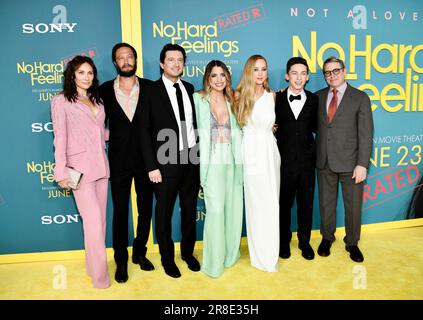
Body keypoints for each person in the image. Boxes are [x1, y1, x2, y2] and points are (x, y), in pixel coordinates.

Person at [140, 43, 200, 278]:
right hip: (164, 163)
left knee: (189, 211)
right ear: (162, 64)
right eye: (171, 59)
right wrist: (151, 166)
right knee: (163, 214)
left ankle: (187, 253)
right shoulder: (150, 91)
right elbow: (143, 131)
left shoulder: (189, 87)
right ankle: (167, 259)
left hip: (190, 159)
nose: (176, 63)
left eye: (180, 59)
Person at [51, 55, 110, 288]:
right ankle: (100, 279)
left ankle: (92, 266)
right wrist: (61, 171)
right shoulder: (61, 101)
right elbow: (60, 136)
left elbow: (99, 134)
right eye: (81, 72)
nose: (86, 77)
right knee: (93, 222)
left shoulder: (98, 101)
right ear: (72, 75)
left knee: (100, 222)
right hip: (79, 169)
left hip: (101, 167)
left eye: (90, 73)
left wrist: (127, 134)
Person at [99, 43, 154, 283]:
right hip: (118, 161)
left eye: (129, 56)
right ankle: (120, 260)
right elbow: (93, 124)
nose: (126, 61)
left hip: (147, 160)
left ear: (136, 59)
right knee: (120, 211)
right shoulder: (103, 91)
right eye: (121, 58)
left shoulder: (152, 88)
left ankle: (139, 254)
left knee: (145, 210)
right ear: (115, 62)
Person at [315, 56, 374, 263]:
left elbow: (366, 134)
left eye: (336, 71)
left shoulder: (360, 97)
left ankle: (352, 243)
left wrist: (362, 164)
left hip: (351, 163)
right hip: (324, 161)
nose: (332, 75)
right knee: (326, 204)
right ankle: (327, 238)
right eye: (328, 72)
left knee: (353, 205)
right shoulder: (318, 97)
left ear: (344, 71)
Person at [193, 60, 244, 278]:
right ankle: (213, 262)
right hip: (211, 159)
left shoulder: (233, 98)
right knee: (215, 211)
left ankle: (230, 255)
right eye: (214, 75)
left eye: (222, 75)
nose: (219, 79)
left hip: (233, 159)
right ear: (207, 78)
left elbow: (244, 124)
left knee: (233, 209)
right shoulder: (198, 99)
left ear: (227, 77)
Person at [234, 54, 280, 272]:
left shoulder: (272, 96)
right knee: (255, 204)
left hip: (270, 153)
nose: (260, 74)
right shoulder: (238, 95)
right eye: (256, 69)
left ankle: (271, 254)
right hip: (251, 152)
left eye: (264, 69)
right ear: (249, 72)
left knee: (271, 203)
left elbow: (271, 124)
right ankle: (259, 255)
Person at [275, 57, 318, 260]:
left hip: (308, 163)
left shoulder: (315, 100)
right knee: (283, 204)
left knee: (306, 204)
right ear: (287, 76)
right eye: (294, 73)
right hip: (283, 163)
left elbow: (318, 128)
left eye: (303, 73)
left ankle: (305, 242)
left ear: (307, 77)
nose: (298, 77)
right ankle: (284, 243)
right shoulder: (275, 99)